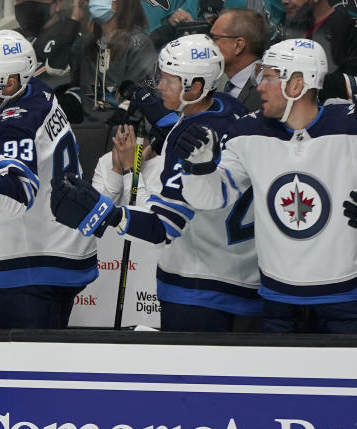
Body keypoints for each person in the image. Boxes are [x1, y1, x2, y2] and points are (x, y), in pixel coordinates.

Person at [52, 34, 261, 331]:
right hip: (244, 274)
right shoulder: (230, 107)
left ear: (197, 87)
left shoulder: (187, 141)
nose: (160, 86)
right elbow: (193, 125)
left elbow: (162, 226)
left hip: (198, 286)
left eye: (170, 81)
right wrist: (162, 117)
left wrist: (105, 212)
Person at [174, 39, 357, 332]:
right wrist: (200, 165)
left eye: (269, 77)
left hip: (346, 297)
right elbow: (209, 198)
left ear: (297, 83)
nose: (259, 86)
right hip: (277, 298)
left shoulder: (349, 127)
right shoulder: (247, 132)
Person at [0, 31, 98, 329]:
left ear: (8, 83)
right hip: (65, 248)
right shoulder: (36, 90)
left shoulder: (12, 124)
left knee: (24, 369)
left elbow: (22, 189)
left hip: (34, 263)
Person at [73, 0, 159, 115]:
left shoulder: (139, 43)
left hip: (121, 127)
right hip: (87, 126)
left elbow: (138, 95)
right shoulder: (88, 42)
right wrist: (74, 17)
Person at [210, 8, 269, 110]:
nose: (209, 44)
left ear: (238, 45)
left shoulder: (268, 92)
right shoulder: (216, 81)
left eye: (215, 38)